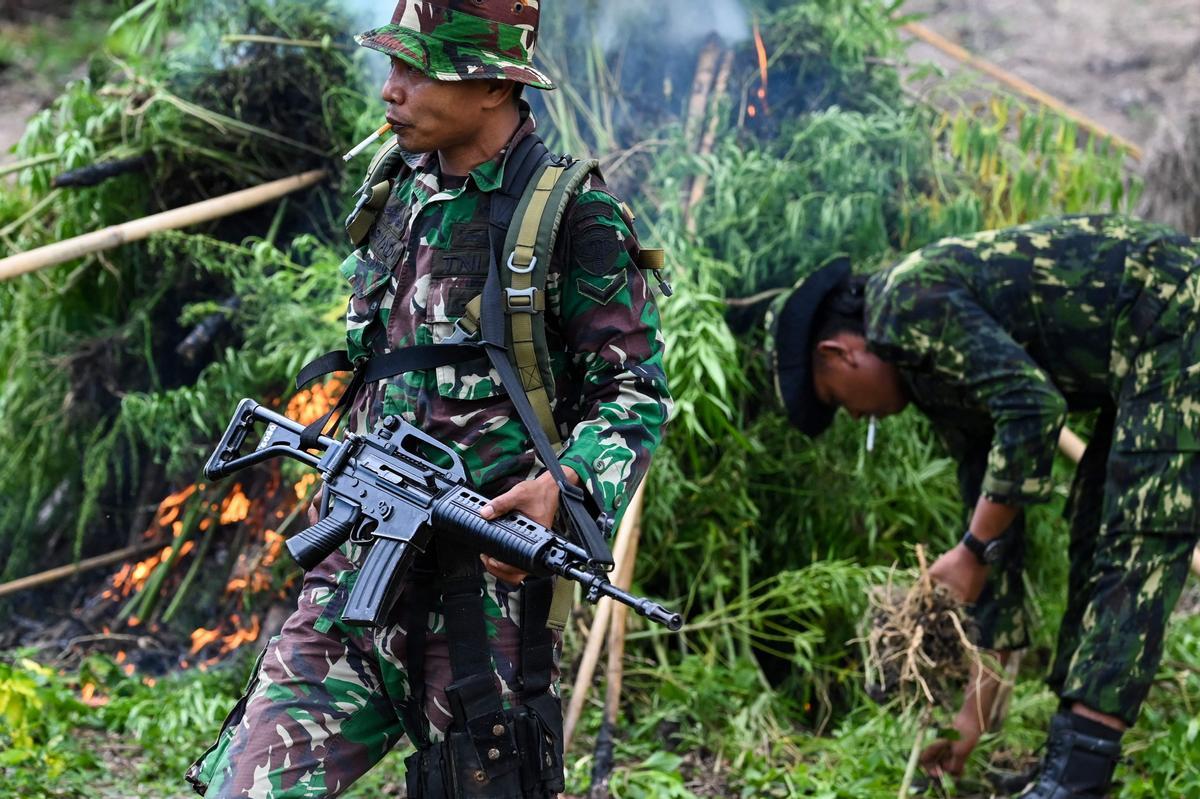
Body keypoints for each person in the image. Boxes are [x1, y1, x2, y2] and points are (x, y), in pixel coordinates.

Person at [186, 2, 672, 796]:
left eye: (417, 69)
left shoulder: (572, 216)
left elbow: (633, 391)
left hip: (483, 601)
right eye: (392, 65)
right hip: (355, 569)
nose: (392, 90)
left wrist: (566, 484)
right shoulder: (397, 193)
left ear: (491, 87)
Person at [768, 215, 1200, 798]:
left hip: (1176, 309)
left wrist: (970, 552)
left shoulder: (902, 304)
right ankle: (1065, 765)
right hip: (1140, 349)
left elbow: (1033, 409)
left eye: (836, 401)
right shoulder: (934, 381)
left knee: (1138, 532)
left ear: (839, 353)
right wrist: (967, 721)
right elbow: (996, 532)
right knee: (1095, 528)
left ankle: (1075, 783)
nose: (855, 415)